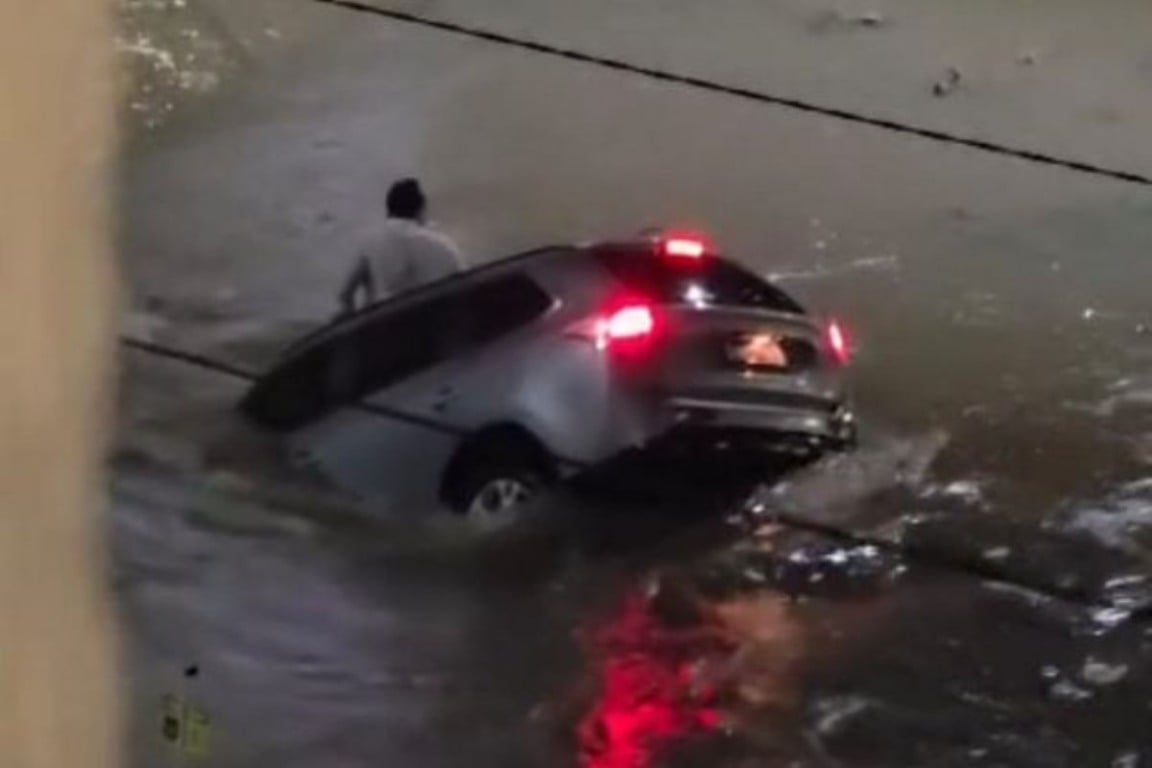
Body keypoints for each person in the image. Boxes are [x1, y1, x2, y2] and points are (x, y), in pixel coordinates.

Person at [339, 178, 465, 313]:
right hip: (434, 320)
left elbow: (345, 295)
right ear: (420, 209)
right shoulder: (444, 246)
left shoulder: (370, 242)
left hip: (385, 320)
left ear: (389, 210)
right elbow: (464, 289)